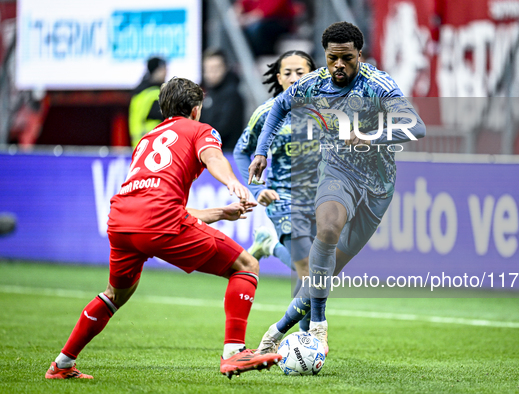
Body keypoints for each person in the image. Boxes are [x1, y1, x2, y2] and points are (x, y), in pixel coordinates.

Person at [45, 77, 281, 380]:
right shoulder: (200, 129)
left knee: (115, 294)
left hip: (121, 221)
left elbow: (154, 204)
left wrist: (220, 212)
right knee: (245, 265)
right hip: (158, 222)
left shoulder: (146, 140)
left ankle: (62, 364)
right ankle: (234, 353)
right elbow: (213, 157)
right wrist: (231, 181)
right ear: (196, 110)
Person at [248, 22, 426, 356]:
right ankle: (318, 326)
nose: (339, 65)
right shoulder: (313, 84)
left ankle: (277, 331)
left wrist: (372, 135)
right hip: (337, 171)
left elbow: (417, 126)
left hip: (378, 186)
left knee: (326, 270)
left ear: (360, 55)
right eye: (332, 58)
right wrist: (260, 151)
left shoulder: (378, 85)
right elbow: (279, 107)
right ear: (325, 57)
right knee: (327, 230)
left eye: (347, 58)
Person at [233, 50, 317, 332]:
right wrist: (258, 188)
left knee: (310, 270)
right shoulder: (267, 114)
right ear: (279, 78)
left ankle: (269, 244)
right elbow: (242, 151)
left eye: (301, 72)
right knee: (307, 266)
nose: (294, 78)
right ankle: (308, 336)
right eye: (288, 73)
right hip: (281, 197)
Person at [200, 48, 245, 152]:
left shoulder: (232, 95)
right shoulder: (206, 93)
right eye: (208, 69)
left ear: (225, 68)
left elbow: (223, 129)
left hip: (227, 155)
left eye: (216, 68)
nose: (212, 73)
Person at [128, 57, 167, 148]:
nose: (165, 73)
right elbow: (163, 115)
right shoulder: (153, 94)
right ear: (155, 71)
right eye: (162, 69)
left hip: (140, 144)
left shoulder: (140, 91)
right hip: (152, 143)